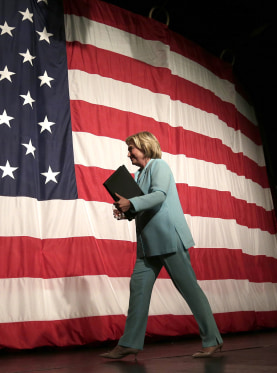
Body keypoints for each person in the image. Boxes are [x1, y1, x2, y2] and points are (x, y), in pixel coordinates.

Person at [100, 131, 223, 359]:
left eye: (131, 149)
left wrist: (132, 203)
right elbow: (144, 206)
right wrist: (126, 210)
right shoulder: (139, 175)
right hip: (147, 245)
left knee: (189, 290)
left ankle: (213, 339)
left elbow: (159, 196)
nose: (128, 154)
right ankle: (129, 343)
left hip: (169, 239)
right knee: (138, 292)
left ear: (144, 147)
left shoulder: (159, 166)